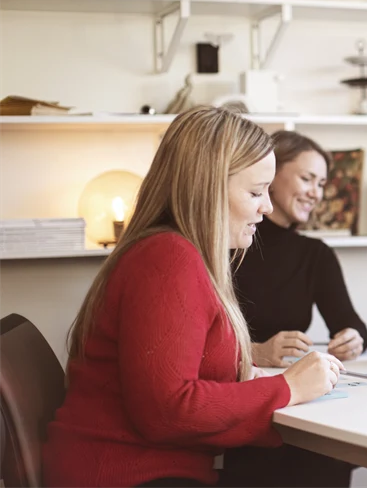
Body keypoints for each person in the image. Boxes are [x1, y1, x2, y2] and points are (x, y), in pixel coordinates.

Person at [43, 106, 344, 488]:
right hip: (129, 474)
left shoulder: (176, 253)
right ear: (208, 188)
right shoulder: (168, 258)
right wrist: (288, 387)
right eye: (255, 191)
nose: (266, 207)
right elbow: (167, 410)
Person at [222, 131, 367, 488]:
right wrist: (256, 352)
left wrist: (353, 338)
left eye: (321, 183)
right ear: (271, 172)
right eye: (307, 178)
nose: (316, 192)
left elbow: (351, 324)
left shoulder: (315, 254)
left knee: (332, 454)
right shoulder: (229, 241)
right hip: (244, 402)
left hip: (298, 401)